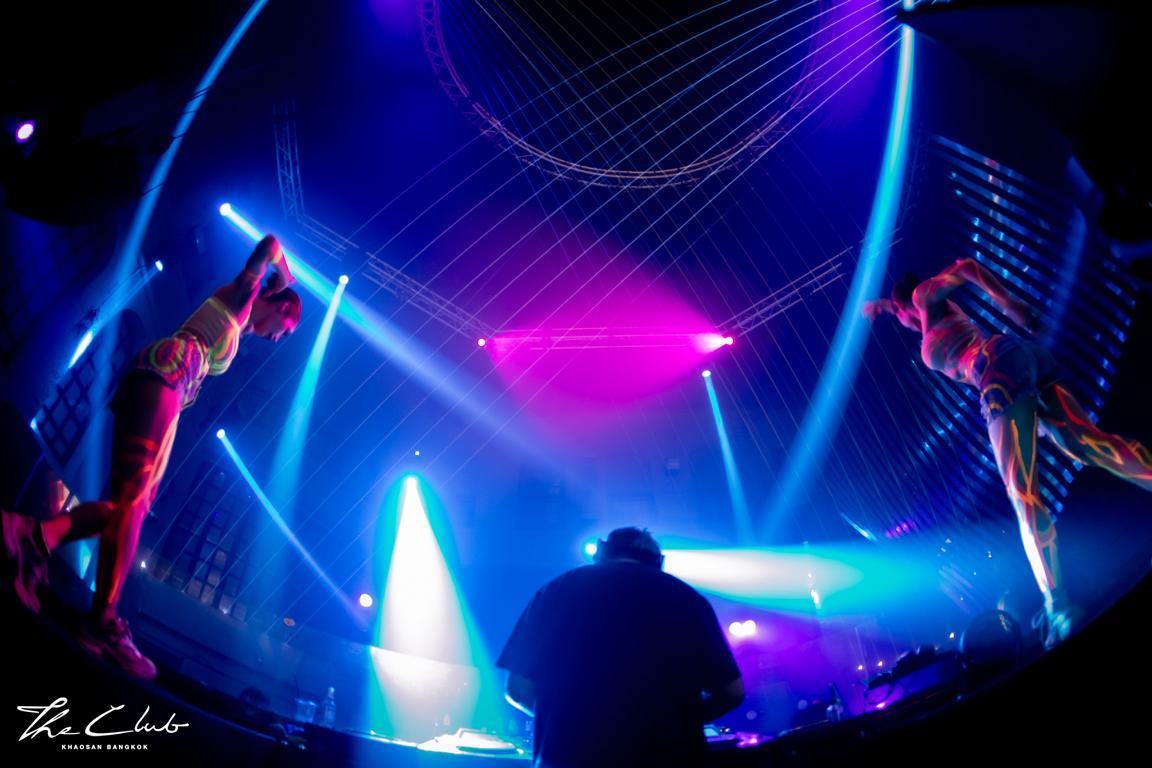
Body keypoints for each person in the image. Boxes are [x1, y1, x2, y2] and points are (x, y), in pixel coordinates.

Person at [3, 235, 300, 679]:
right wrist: (284, 275)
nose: (279, 339)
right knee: (133, 507)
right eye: (286, 329)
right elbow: (270, 245)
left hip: (170, 385)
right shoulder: (243, 297)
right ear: (279, 306)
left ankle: (33, 536)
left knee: (132, 508)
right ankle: (102, 622)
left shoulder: (239, 323)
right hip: (168, 373)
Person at [864, 258, 1152, 648]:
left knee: (1023, 495)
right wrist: (882, 306)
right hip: (1021, 357)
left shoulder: (921, 298)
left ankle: (1059, 608)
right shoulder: (934, 308)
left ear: (904, 308)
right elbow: (918, 297)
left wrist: (1009, 303)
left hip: (996, 372)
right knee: (1087, 444)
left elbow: (965, 267)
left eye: (896, 313)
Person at [497, 527, 744, 768]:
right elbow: (732, 693)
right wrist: (675, 724)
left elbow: (518, 687)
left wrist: (564, 724)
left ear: (601, 552)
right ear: (660, 561)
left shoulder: (554, 591)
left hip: (567, 756)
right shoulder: (688, 599)